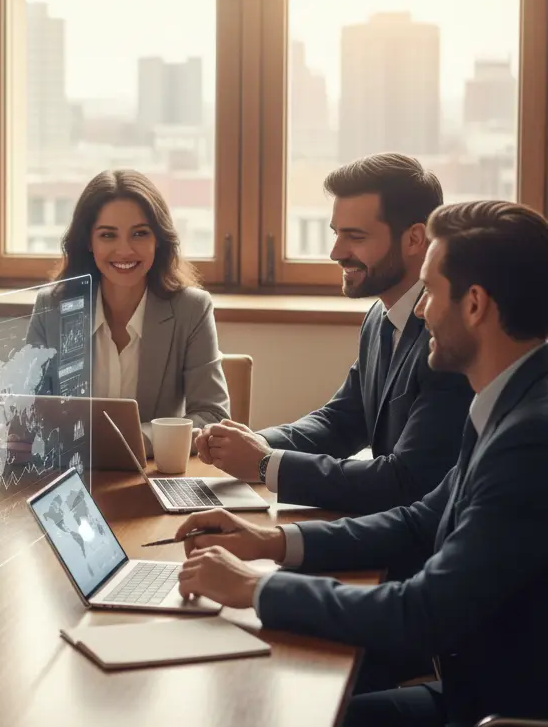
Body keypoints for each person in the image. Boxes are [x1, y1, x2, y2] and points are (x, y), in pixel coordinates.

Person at [174, 200, 548, 727]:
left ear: (475, 305)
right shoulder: (507, 398)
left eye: (432, 293)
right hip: (473, 689)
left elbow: (421, 614)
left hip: (496, 710)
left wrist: (255, 586)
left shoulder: (529, 436)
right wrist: (271, 542)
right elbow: (421, 520)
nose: (421, 312)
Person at [198, 153, 472, 514]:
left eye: (354, 237)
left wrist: (267, 465)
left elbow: (407, 481)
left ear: (414, 239)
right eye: (336, 233)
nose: (335, 253)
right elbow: (341, 420)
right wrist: (253, 444)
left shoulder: (448, 338)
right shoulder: (380, 317)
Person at [29, 169, 229, 456]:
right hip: (69, 479)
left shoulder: (191, 309)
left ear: (158, 239)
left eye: (139, 233)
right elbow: (28, 409)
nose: (124, 250)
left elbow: (213, 416)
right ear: (89, 241)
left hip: (154, 476)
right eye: (108, 235)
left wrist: (134, 440)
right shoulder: (51, 307)